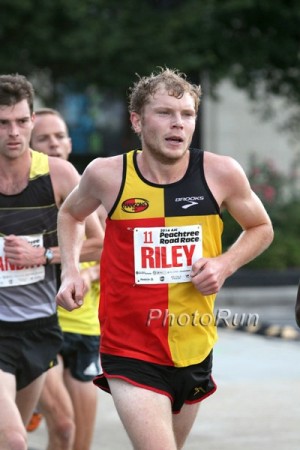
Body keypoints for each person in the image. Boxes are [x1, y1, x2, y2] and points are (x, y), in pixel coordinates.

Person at [56, 68, 274, 450]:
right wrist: (71, 271)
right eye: (165, 113)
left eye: (187, 114)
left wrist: (224, 264)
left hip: (193, 342)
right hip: (129, 346)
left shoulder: (219, 172)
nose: (178, 124)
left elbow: (261, 228)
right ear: (137, 121)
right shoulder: (107, 175)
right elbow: (70, 214)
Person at [0, 74, 102, 450]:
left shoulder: (59, 175)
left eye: (22, 121)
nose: (14, 132)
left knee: (30, 432)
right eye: (3, 123)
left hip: (40, 329)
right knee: (13, 439)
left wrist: (43, 255)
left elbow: (100, 243)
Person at [28, 107, 104, 450]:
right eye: (43, 138)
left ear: (70, 143)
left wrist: (85, 270)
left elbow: (109, 251)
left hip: (86, 323)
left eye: (59, 136)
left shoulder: (97, 197)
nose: (53, 144)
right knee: (62, 424)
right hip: (39, 322)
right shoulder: (19, 198)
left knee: (78, 441)